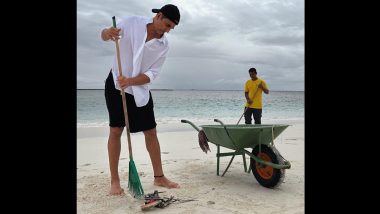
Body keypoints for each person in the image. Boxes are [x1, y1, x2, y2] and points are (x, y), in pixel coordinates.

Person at [100, 4, 180, 195]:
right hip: (115, 85)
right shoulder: (131, 23)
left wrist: (131, 81)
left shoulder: (164, 45)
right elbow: (104, 35)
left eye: (172, 28)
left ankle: (159, 177)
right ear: (159, 16)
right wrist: (108, 32)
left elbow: (152, 74)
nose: (168, 30)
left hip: (139, 90)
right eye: (168, 25)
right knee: (115, 130)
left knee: (151, 131)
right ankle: (115, 181)